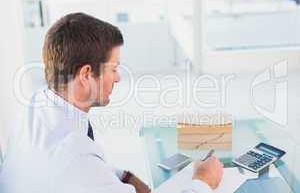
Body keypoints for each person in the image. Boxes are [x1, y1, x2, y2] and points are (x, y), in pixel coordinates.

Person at [0, 13, 223, 193]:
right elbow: (78, 166)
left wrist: (123, 177)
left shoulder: (36, 105)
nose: (118, 78)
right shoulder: (75, 158)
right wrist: (203, 180)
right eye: (113, 69)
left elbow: (80, 169)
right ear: (86, 74)